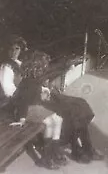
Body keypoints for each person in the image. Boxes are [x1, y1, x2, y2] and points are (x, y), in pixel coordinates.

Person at [16, 50, 104, 164]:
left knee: (80, 104)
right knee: (68, 111)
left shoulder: (27, 67)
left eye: (18, 48)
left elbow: (53, 70)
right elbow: (23, 96)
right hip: (39, 103)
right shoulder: (17, 70)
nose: (15, 51)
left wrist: (69, 63)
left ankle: (86, 147)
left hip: (46, 97)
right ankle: (77, 149)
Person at [0, 36, 66, 170]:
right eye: (43, 68)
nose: (44, 70)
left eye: (17, 49)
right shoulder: (21, 77)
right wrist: (22, 119)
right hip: (24, 110)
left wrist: (43, 91)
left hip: (32, 107)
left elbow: (32, 93)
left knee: (57, 119)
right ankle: (46, 158)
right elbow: (22, 100)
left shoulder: (32, 78)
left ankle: (52, 152)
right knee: (49, 122)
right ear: (37, 68)